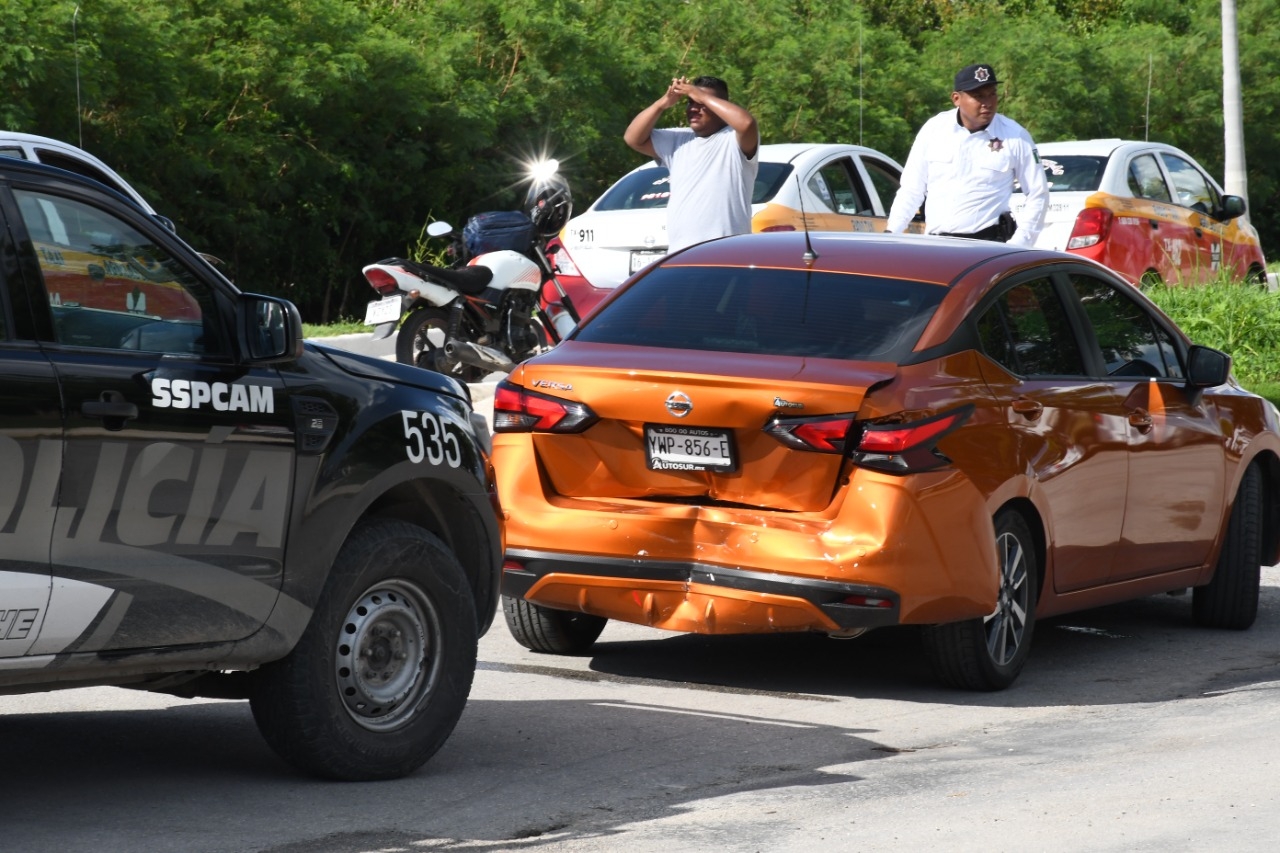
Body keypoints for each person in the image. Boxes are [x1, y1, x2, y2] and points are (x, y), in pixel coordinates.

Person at [886, 63, 1048, 247]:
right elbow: (912, 189)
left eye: (992, 94)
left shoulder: (1016, 136)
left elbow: (1038, 194)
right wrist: (892, 232)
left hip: (989, 245)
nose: (987, 102)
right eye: (978, 96)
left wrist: (1019, 244)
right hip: (936, 245)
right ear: (956, 98)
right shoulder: (934, 130)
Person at [624, 75, 760, 253]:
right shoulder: (678, 140)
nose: (694, 109)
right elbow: (632, 138)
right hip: (681, 255)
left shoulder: (733, 139)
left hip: (727, 253)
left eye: (701, 104)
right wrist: (662, 103)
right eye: (690, 102)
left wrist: (699, 95)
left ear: (718, 106)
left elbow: (747, 123)